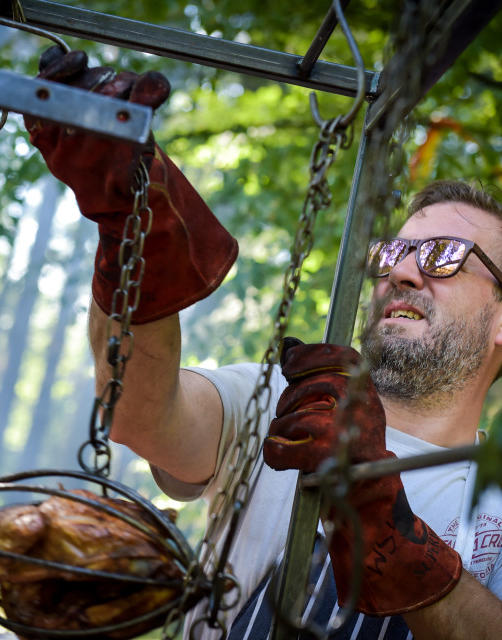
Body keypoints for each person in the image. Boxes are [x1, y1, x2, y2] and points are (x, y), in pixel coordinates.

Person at [25, 49, 502, 639]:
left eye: (444, 256)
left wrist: (388, 529)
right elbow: (140, 414)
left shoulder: (497, 506)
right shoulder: (288, 406)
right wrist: (132, 237)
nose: (402, 273)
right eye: (394, 252)